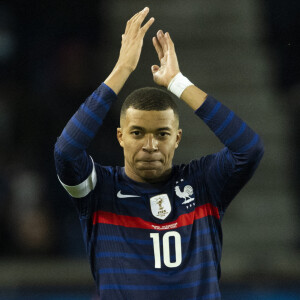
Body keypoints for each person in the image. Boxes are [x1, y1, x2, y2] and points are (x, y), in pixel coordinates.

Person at [54, 7, 264, 299]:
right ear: (120, 137)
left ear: (177, 138)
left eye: (162, 134)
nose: (150, 145)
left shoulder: (204, 184)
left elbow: (249, 149)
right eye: (137, 133)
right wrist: (122, 70)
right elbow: (66, 152)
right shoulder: (99, 191)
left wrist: (178, 82)